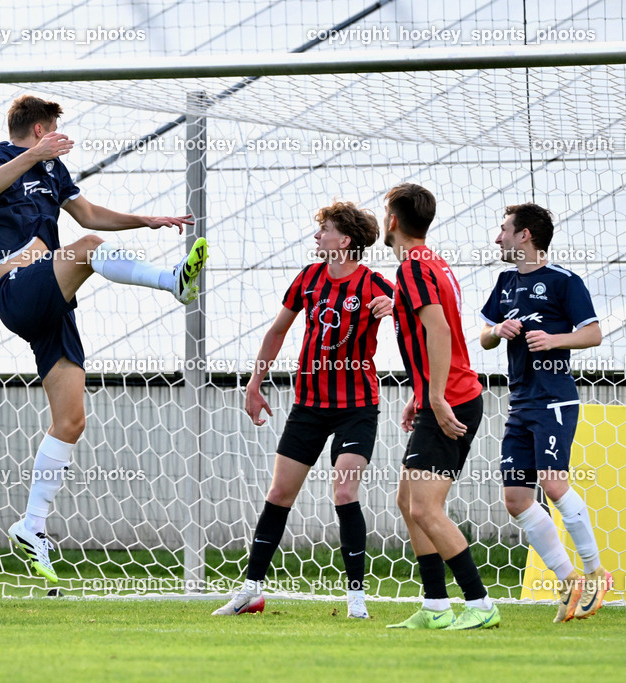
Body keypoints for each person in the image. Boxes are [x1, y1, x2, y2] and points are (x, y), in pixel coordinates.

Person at [0, 95, 207, 582]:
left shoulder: (54, 171)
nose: (62, 137)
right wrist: (33, 157)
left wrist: (144, 220)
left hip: (50, 300)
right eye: (56, 129)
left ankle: (31, 524)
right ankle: (173, 282)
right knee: (86, 251)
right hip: (17, 289)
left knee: (70, 420)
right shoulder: (2, 155)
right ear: (40, 131)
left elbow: (88, 214)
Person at [213, 202, 393, 619]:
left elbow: (407, 310)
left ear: (344, 241)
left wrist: (394, 305)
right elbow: (278, 331)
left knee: (345, 492)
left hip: (356, 407)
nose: (316, 236)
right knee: (279, 493)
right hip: (308, 405)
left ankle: (356, 599)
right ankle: (251, 591)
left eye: (324, 230)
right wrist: (255, 382)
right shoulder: (309, 278)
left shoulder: (373, 284)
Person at [480, 203, 611, 622]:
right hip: (520, 402)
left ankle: (595, 574)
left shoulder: (564, 281)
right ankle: (569, 577)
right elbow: (482, 337)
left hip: (554, 398)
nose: (498, 237)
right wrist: (497, 331)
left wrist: (552, 340)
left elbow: (593, 333)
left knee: (553, 484)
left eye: (504, 230)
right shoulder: (503, 282)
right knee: (516, 498)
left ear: (526, 236)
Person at [381, 183, 499, 631]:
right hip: (444, 394)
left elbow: (440, 332)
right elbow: (433, 327)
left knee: (427, 508)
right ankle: (435, 605)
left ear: (393, 221)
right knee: (408, 500)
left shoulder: (412, 267)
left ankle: (480, 602)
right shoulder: (433, 263)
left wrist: (434, 396)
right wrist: (420, 393)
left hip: (451, 399)